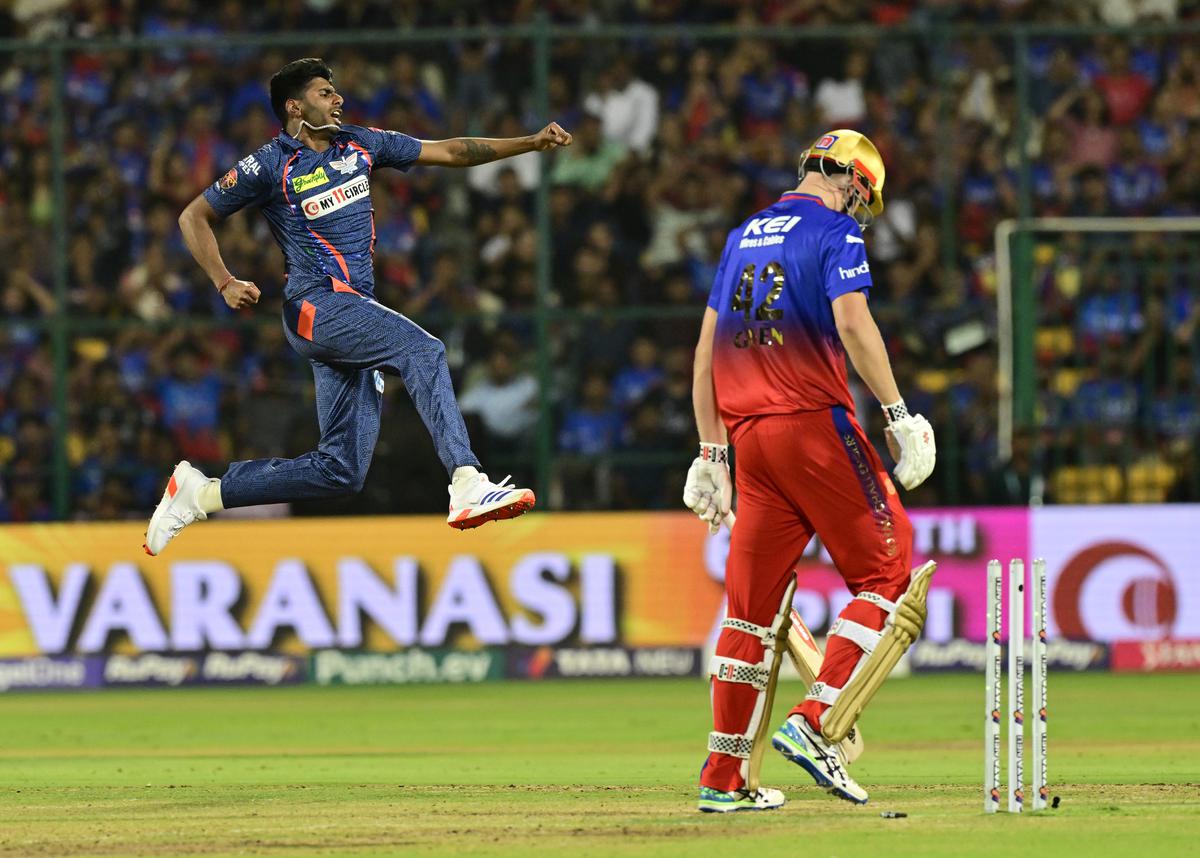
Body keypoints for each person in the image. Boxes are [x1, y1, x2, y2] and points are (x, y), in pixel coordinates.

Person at [144, 58, 572, 555]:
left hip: (349, 312)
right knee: (425, 349)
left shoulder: (361, 144)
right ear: (295, 106)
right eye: (326, 93)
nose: (338, 98)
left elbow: (452, 151)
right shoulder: (269, 164)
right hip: (316, 305)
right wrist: (223, 281)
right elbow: (193, 215)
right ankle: (466, 480)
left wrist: (530, 142)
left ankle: (203, 494)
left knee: (341, 471)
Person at [684, 130, 936, 812]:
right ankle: (819, 719)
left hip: (750, 443)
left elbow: (706, 354)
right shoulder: (832, 232)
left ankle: (723, 779)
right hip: (812, 427)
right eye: (866, 196)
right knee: (888, 569)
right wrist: (898, 412)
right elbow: (853, 325)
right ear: (853, 180)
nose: (863, 211)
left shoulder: (742, 234)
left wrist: (711, 454)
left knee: (749, 614)